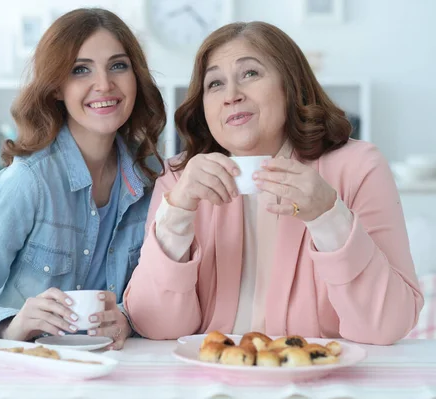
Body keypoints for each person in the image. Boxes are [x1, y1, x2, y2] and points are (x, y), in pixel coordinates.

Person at [123, 21, 423, 345]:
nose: (232, 96)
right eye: (215, 84)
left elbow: (388, 325)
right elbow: (155, 324)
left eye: (250, 74)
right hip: (211, 381)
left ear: (290, 84)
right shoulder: (180, 179)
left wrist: (329, 215)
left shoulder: (358, 166)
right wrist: (178, 214)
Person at [0, 8, 166, 350]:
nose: (104, 84)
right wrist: (10, 327)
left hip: (116, 367)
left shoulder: (151, 178)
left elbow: (153, 292)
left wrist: (126, 318)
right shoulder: (28, 182)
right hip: (30, 370)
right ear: (57, 87)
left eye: (118, 65)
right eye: (80, 69)